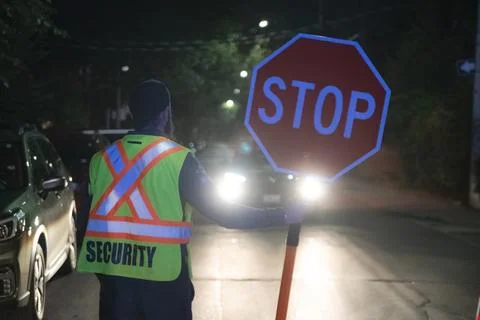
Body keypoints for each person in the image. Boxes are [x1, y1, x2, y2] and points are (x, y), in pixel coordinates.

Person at [76, 78, 307, 320]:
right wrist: (281, 214)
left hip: (116, 289)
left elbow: (84, 227)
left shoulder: (101, 160)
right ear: (165, 113)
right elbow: (224, 212)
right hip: (164, 286)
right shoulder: (178, 160)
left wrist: (108, 275)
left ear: (133, 113)